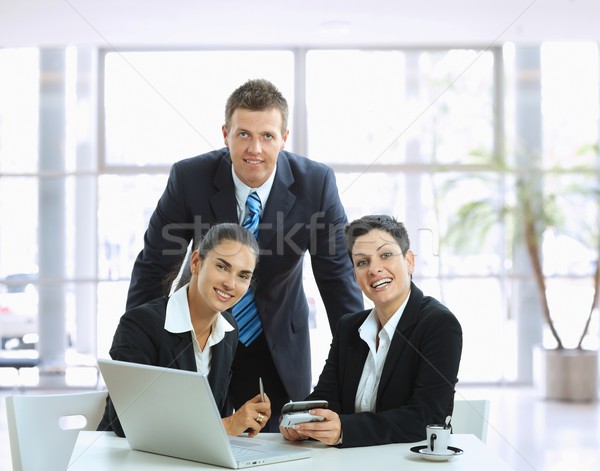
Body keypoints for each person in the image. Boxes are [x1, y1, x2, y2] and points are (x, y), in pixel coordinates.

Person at [125, 79, 364, 431]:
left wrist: (356, 364)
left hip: (277, 337)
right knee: (187, 436)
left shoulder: (316, 184)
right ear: (225, 134)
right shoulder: (190, 178)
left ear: (284, 137)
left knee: (285, 443)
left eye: (267, 136)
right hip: (200, 333)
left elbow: (338, 280)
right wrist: (136, 348)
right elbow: (155, 266)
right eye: (243, 134)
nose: (255, 149)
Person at [280, 215, 463, 447]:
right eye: (362, 262)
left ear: (409, 261)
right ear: (355, 275)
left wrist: (344, 429)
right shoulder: (349, 327)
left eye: (386, 255)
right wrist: (298, 422)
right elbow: (326, 397)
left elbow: (426, 418)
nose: (374, 269)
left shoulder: (439, 324)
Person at [98, 223, 271, 437]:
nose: (230, 284)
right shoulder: (140, 324)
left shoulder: (228, 330)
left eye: (243, 276)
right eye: (222, 267)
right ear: (196, 262)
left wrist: (244, 420)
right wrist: (225, 426)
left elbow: (214, 414)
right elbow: (126, 423)